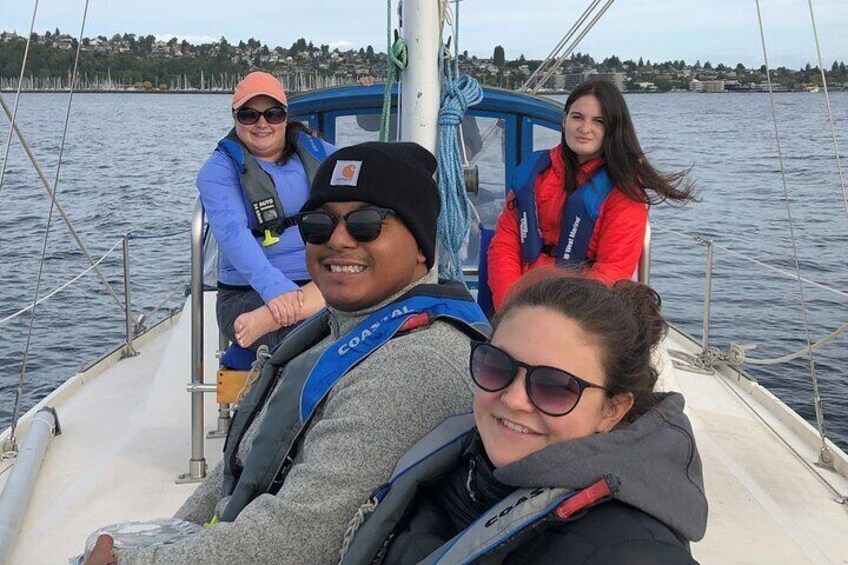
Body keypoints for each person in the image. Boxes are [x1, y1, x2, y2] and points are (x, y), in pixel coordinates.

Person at [85, 142, 490, 565]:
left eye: (366, 223)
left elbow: (298, 539)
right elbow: (239, 466)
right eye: (319, 224)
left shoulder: (416, 366)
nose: (338, 240)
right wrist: (162, 543)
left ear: (422, 245)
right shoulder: (337, 328)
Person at [339, 271, 708, 564]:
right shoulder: (464, 465)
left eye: (555, 387)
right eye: (497, 365)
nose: (514, 399)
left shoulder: (627, 551)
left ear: (612, 411)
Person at [486, 79, 695, 311]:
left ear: (612, 129)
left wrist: (554, 323)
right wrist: (509, 309)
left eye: (598, 121)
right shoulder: (534, 174)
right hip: (521, 301)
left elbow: (611, 272)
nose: (585, 128)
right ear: (564, 120)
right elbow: (505, 246)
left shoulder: (624, 191)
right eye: (577, 117)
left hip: (582, 314)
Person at [198, 71, 334, 351]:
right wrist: (277, 293)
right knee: (315, 339)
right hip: (247, 293)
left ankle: (292, 312)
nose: (262, 123)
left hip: (319, 280)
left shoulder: (317, 152)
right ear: (235, 117)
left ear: (285, 117)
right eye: (249, 115)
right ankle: (295, 313)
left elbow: (362, 167)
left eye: (272, 114)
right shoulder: (218, 171)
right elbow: (232, 233)